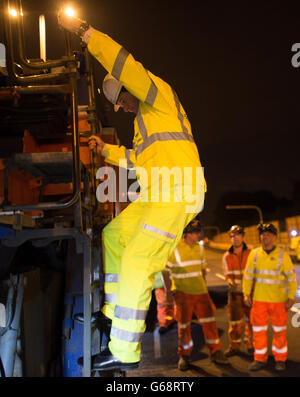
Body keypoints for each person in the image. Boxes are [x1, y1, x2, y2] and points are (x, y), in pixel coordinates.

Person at [58, 13, 206, 371]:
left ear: (129, 90)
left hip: (179, 192)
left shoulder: (158, 96)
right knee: (115, 235)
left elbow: (123, 61)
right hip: (158, 197)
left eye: (121, 101)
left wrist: (84, 32)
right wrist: (104, 150)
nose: (121, 108)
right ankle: (115, 313)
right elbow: (136, 159)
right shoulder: (143, 127)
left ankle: (125, 350)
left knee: (139, 260)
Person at [166, 219, 228, 370]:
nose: (198, 235)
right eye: (195, 232)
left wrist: (204, 288)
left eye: (198, 232)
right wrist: (170, 294)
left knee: (209, 322)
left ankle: (215, 351)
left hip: (201, 293)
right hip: (182, 294)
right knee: (184, 326)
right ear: (187, 234)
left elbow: (202, 271)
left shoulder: (200, 249)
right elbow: (166, 273)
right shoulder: (174, 249)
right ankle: (184, 355)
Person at [243, 223, 298, 372]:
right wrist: (246, 293)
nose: (264, 236)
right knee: (259, 332)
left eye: (268, 233)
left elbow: (292, 279)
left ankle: (280, 359)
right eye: (262, 233)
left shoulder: (282, 255)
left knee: (279, 332)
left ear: (274, 237)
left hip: (279, 302)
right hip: (259, 301)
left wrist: (291, 297)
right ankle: (259, 359)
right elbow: (248, 276)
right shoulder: (254, 254)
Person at [222, 225, 253, 357]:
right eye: (232, 236)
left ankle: (251, 344)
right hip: (235, 294)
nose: (235, 238)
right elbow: (228, 276)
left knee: (251, 320)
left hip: (250, 293)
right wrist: (231, 283)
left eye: (238, 235)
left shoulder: (251, 253)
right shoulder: (226, 256)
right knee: (235, 321)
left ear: (243, 236)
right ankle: (234, 346)